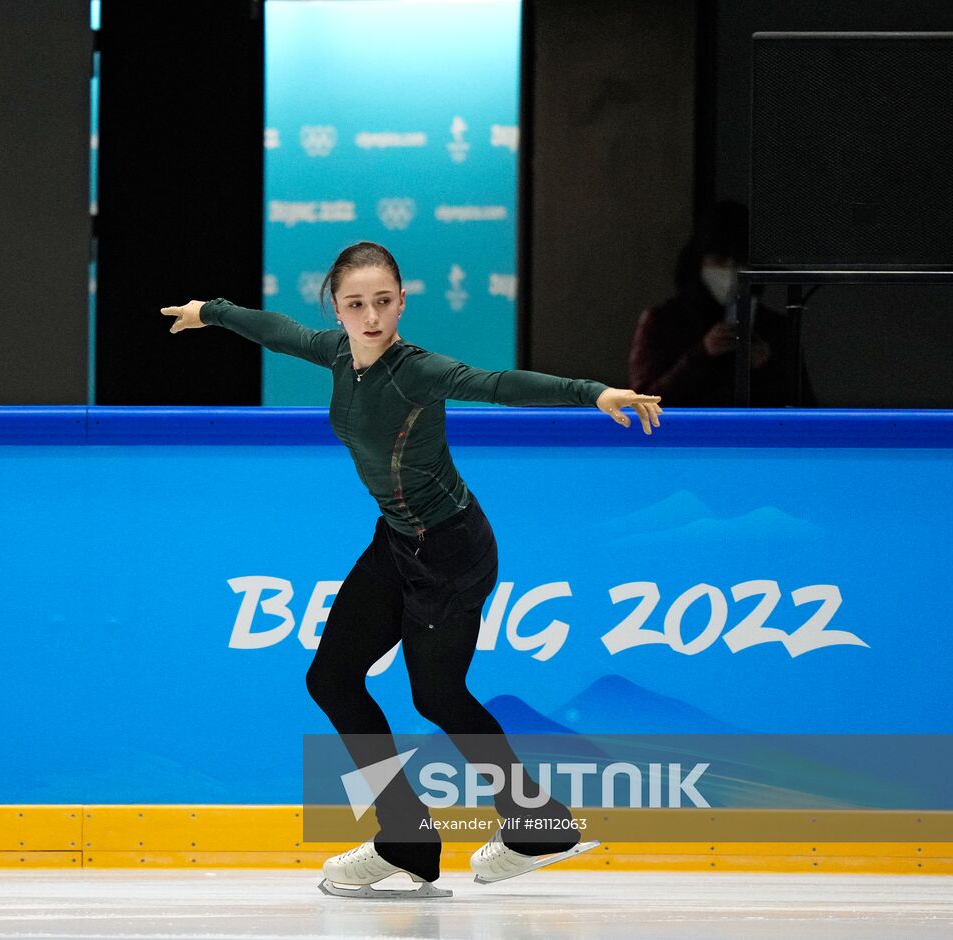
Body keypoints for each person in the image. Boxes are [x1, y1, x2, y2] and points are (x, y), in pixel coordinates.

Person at [163, 241, 662, 898]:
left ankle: (536, 822)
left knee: (438, 695)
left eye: (383, 302)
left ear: (402, 302)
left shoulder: (417, 371)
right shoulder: (338, 352)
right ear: (337, 308)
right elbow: (279, 332)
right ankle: (408, 835)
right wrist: (212, 311)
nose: (370, 317)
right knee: (333, 678)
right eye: (355, 304)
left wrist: (592, 393)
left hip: (452, 551)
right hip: (399, 542)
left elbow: (497, 384)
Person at [629, 201, 814, 406]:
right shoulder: (664, 322)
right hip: (686, 435)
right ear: (698, 261)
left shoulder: (774, 328)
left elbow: (804, 409)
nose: (730, 270)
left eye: (739, 261)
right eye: (719, 260)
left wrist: (766, 366)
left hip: (752, 436)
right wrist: (702, 354)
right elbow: (643, 403)